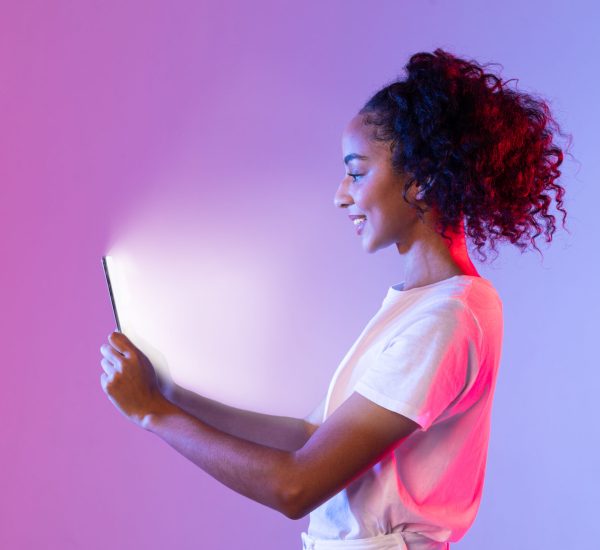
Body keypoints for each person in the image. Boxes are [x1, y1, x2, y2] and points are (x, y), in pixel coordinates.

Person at [99, 48, 568, 550]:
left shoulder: (451, 317)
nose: (341, 194)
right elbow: (310, 437)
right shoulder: (422, 305)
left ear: (422, 179)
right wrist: (170, 396)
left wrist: (154, 416)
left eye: (357, 172)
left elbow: (296, 485)